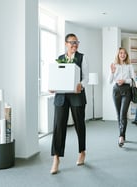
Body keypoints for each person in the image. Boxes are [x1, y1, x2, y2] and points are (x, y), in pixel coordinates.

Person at [50, 33, 89, 174]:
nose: (75, 45)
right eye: (72, 42)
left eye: (76, 42)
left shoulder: (82, 58)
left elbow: (86, 78)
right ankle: (56, 158)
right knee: (58, 126)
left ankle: (82, 151)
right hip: (61, 96)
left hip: (77, 96)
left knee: (79, 125)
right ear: (66, 44)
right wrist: (52, 86)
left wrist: (81, 85)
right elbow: (56, 76)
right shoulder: (60, 59)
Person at [109, 47, 135, 147]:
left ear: (126, 55)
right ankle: (123, 134)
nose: (122, 55)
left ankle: (121, 136)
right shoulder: (114, 65)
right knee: (118, 114)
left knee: (123, 114)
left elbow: (133, 79)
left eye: (124, 53)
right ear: (118, 54)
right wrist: (112, 72)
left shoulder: (130, 66)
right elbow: (110, 81)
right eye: (120, 53)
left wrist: (124, 81)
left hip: (126, 90)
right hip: (116, 90)